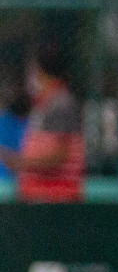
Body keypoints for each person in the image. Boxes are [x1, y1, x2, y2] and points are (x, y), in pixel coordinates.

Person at [2, 45, 85, 201]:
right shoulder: (43, 104)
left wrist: (19, 162)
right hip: (38, 196)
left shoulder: (61, 102)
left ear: (39, 69)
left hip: (55, 199)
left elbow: (60, 155)